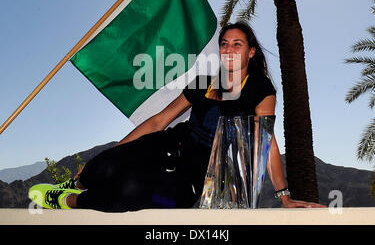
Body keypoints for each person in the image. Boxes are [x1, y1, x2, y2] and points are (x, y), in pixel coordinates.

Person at [29, 22, 325, 211]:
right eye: (224, 43)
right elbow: (159, 120)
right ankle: (75, 184)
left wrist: (283, 195)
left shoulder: (260, 89)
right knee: (102, 167)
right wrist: (114, 151)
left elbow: (267, 141)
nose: (229, 49)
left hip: (202, 171)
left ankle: (65, 200)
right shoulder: (203, 81)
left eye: (237, 44)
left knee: (130, 193)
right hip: (171, 143)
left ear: (250, 53)